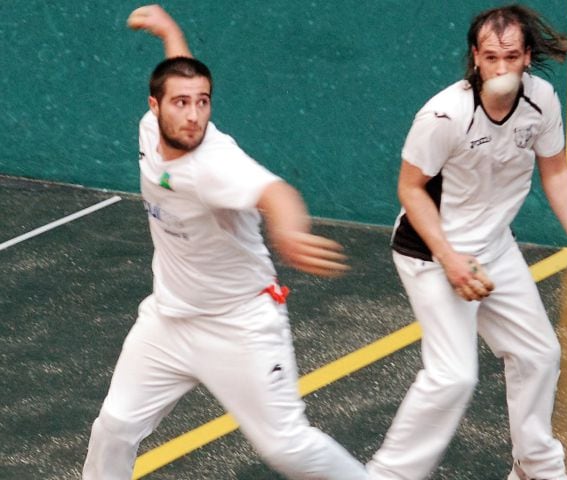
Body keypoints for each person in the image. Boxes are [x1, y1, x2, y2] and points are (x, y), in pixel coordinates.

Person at [82, 5, 368, 479]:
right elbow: (180, 73)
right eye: (182, 102)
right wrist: (170, 32)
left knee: (287, 448)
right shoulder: (149, 130)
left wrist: (289, 229)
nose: (194, 115)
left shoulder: (215, 164)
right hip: (169, 320)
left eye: (203, 102)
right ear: (155, 108)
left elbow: (276, 192)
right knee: (115, 424)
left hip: (239, 324)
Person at [366, 4, 567, 480]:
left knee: (539, 355)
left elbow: (555, 172)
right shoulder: (444, 114)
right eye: (492, 57)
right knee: (453, 376)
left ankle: (535, 469)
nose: (501, 68)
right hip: (431, 254)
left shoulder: (541, 101)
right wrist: (450, 258)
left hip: (495, 247)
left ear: (527, 57)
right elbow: (410, 189)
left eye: (512, 57)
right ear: (475, 57)